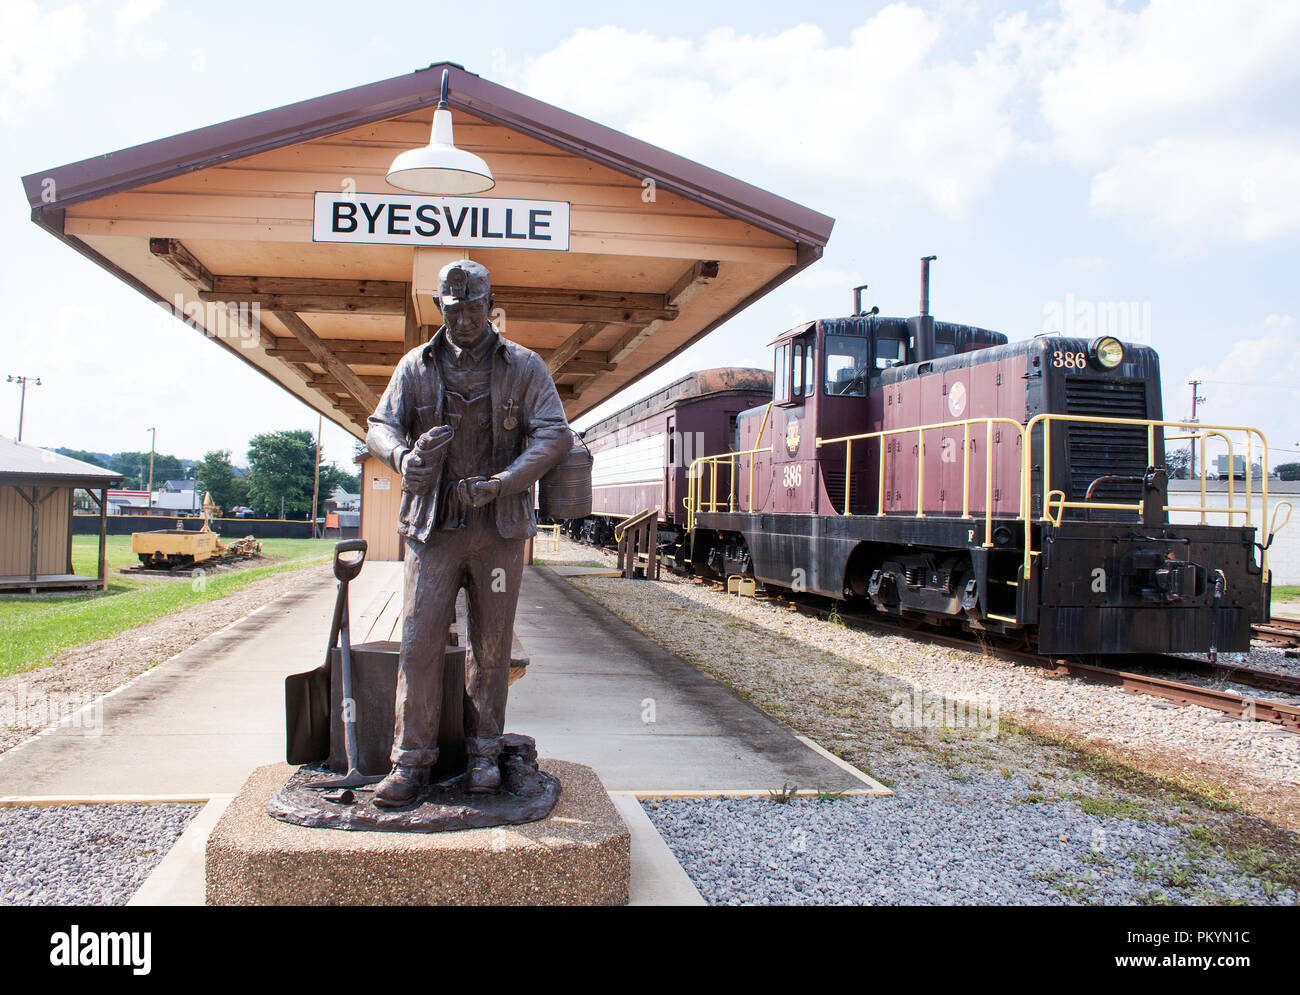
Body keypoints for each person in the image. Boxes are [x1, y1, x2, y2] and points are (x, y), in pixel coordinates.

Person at [366, 259, 571, 807]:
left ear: (490, 304)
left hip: (497, 530)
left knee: (492, 645)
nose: (462, 320)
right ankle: (411, 762)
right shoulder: (415, 365)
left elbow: (555, 435)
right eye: (452, 309)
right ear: (439, 308)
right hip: (433, 530)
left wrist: (505, 482)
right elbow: (379, 424)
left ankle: (484, 756)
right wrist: (402, 457)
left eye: (474, 308)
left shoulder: (524, 366)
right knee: (418, 642)